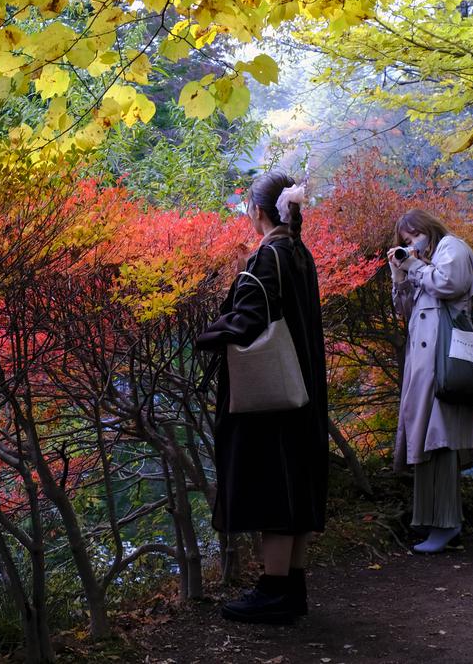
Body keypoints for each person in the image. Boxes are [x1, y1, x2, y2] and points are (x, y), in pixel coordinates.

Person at [196, 170, 330, 625]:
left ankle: (275, 592)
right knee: (294, 485)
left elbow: (250, 319)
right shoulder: (298, 253)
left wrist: (207, 335)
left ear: (257, 211)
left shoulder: (269, 256)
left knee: (275, 487)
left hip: (270, 396)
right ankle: (292, 587)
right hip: (301, 386)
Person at [388, 210, 473, 553]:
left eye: (413, 235)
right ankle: (434, 523)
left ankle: (447, 524)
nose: (410, 244)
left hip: (444, 363)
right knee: (428, 445)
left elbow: (449, 284)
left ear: (427, 228)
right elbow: (404, 310)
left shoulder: (451, 247)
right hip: (426, 367)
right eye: (404, 241)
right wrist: (399, 273)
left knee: (440, 441)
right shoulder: (424, 266)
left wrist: (415, 266)